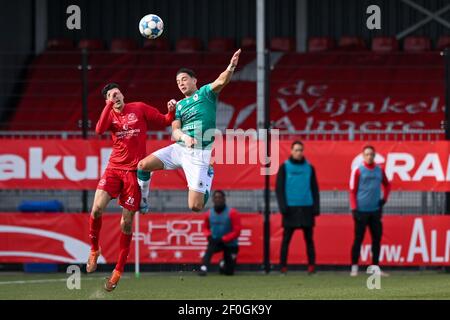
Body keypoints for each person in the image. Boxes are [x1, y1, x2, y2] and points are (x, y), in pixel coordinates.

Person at [86, 83, 175, 291]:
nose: (115, 96)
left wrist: (170, 110)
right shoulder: (109, 115)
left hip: (133, 173)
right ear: (107, 100)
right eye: (110, 95)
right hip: (113, 169)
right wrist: (108, 104)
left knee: (125, 223)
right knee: (96, 209)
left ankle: (117, 271)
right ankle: (94, 250)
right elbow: (99, 129)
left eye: (117, 92)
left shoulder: (139, 108)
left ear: (123, 94)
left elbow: (165, 121)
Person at [137, 49, 242, 213]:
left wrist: (231, 67)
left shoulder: (205, 93)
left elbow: (221, 81)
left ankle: (207, 176)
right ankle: (143, 199)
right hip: (179, 148)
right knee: (143, 166)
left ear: (195, 80)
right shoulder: (178, 105)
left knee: (195, 206)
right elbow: (175, 130)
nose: (181, 83)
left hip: (199, 152)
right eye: (178, 81)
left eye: (184, 79)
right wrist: (184, 138)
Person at [275, 141, 320, 275]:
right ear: (291, 151)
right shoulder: (284, 167)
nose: (298, 152)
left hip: (307, 208)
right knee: (286, 240)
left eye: (300, 150)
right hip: (290, 209)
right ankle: (283, 267)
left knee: (309, 240)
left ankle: (311, 267)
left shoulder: (310, 168)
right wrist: (283, 207)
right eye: (296, 150)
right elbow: (279, 189)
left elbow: (315, 189)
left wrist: (316, 208)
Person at [349, 145, 391, 277]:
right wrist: (354, 209)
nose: (369, 156)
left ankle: (375, 268)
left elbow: (387, 184)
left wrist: (384, 199)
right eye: (367, 154)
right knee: (358, 239)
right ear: (363, 156)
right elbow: (352, 191)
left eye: (371, 154)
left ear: (375, 155)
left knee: (376, 239)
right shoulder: (358, 171)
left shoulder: (379, 170)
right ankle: (354, 267)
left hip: (375, 211)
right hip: (361, 211)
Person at [198, 190, 241, 276]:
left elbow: (237, 231)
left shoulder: (233, 213)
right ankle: (203, 268)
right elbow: (205, 228)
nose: (218, 199)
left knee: (229, 272)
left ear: (224, 199)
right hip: (216, 241)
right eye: (216, 197)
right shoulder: (209, 213)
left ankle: (222, 264)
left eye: (220, 197)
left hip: (230, 244)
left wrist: (224, 239)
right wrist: (208, 236)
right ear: (213, 199)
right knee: (209, 249)